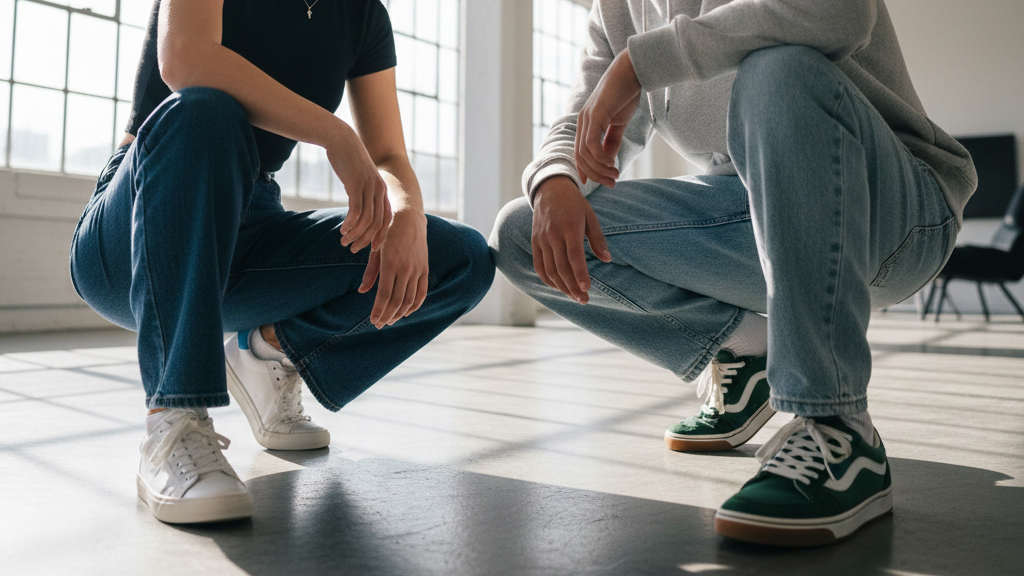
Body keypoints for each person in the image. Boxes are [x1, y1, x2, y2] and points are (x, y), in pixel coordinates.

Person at [490, 0, 975, 546]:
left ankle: (839, 428)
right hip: (756, 214)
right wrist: (556, 177)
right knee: (523, 231)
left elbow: (839, 14)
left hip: (898, 218)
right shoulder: (617, 8)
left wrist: (639, 65)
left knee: (778, 71)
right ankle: (748, 355)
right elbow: (586, 123)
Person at [70, 0, 494, 525]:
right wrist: (335, 133)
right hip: (137, 227)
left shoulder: (362, 15)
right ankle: (173, 421)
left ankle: (268, 353)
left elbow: (387, 155)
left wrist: (407, 213)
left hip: (252, 225)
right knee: (205, 109)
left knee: (461, 258)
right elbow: (185, 59)